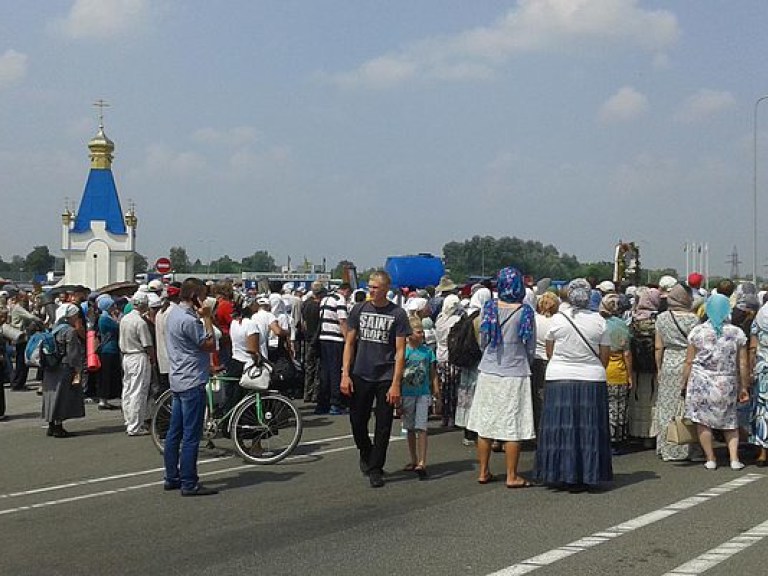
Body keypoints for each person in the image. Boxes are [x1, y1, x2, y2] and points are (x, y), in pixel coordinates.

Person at [535, 278, 612, 492]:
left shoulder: (558, 320)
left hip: (559, 377)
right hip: (591, 378)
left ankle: (558, 472)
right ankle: (588, 473)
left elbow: (550, 351)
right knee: (589, 429)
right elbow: (605, 356)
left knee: (560, 428)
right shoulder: (599, 321)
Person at [466, 267, 536, 488]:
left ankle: (484, 470)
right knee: (513, 424)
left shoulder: (489, 308)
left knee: (485, 422)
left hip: (489, 370)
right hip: (515, 371)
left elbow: (483, 340)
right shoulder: (525, 312)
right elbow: (530, 346)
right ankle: (511, 475)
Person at [341, 270, 410, 488]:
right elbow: (350, 343)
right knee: (357, 421)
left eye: (375, 287)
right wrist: (345, 374)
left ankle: (376, 467)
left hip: (386, 375)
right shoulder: (359, 309)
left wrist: (396, 383)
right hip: (361, 372)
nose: (371, 291)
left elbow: (400, 350)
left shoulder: (397, 314)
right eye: (370, 286)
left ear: (386, 289)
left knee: (383, 424)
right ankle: (366, 451)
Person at [682, 293, 750, 470]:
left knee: (703, 421)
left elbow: (689, 360)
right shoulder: (737, 333)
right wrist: (744, 385)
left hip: (701, 381)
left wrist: (684, 382)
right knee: (730, 421)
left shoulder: (697, 332)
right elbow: (742, 362)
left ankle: (710, 458)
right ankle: (734, 458)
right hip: (726, 381)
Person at [163, 278, 218, 496]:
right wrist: (207, 319)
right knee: (191, 435)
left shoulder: (172, 314)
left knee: (174, 432)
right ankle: (189, 481)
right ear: (195, 296)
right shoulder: (189, 320)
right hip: (192, 379)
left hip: (178, 377)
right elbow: (209, 343)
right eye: (202, 296)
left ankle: (171, 476)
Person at [654, 284, 700, 462]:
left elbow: (659, 346)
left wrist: (658, 367)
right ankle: (688, 447)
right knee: (687, 405)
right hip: (688, 362)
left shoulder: (662, 318)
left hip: (669, 362)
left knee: (666, 406)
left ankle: (666, 446)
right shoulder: (693, 320)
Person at [401, 315, 438, 479]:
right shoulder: (404, 351)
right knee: (409, 427)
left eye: (422, 332)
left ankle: (422, 461)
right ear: (409, 334)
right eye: (418, 332)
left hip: (423, 393)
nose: (422, 335)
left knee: (421, 427)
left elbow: (432, 372)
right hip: (407, 393)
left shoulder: (427, 351)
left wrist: (436, 389)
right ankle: (413, 458)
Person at [41, 304, 85, 438]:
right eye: (76, 315)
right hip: (64, 367)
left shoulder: (54, 328)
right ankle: (58, 427)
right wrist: (77, 369)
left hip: (50, 366)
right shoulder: (70, 331)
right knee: (61, 397)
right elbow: (73, 354)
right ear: (70, 316)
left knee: (50, 396)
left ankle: (51, 425)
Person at [600, 293, 633, 454]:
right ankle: (617, 441)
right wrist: (630, 375)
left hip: (602, 369)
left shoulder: (598, 324)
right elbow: (626, 353)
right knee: (619, 407)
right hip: (618, 370)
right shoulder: (621, 325)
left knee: (604, 406)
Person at [119, 293, 154, 436]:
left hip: (126, 356)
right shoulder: (140, 322)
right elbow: (147, 344)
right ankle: (135, 426)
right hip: (138, 356)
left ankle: (129, 421)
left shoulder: (124, 319)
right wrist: (153, 358)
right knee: (138, 392)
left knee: (127, 390)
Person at [317, 285, 349, 415]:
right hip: (336, 339)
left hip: (324, 337)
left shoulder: (325, 299)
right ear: (346, 291)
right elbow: (342, 321)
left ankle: (322, 403)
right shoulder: (340, 299)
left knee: (325, 371)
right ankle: (336, 403)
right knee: (335, 371)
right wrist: (348, 340)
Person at [532, 291, 560, 433]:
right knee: (548, 397)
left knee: (535, 397)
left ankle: (536, 428)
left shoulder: (534, 319)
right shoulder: (557, 321)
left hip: (534, 360)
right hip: (550, 361)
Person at [434, 294, 462, 427]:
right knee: (453, 388)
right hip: (452, 356)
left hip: (440, 355)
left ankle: (444, 416)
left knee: (443, 385)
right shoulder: (456, 320)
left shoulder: (439, 318)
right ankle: (451, 416)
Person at [749, 301, 768, 466]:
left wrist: (749, 369)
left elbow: (753, 346)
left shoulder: (760, 316)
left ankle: (762, 452)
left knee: (762, 409)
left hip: (763, 367)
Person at [95, 295, 121, 410]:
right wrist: (116, 318)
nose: (114, 307)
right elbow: (118, 327)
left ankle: (104, 399)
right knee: (106, 375)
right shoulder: (105, 319)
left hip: (108, 349)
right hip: (108, 350)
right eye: (111, 305)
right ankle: (103, 399)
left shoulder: (104, 317)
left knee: (107, 375)